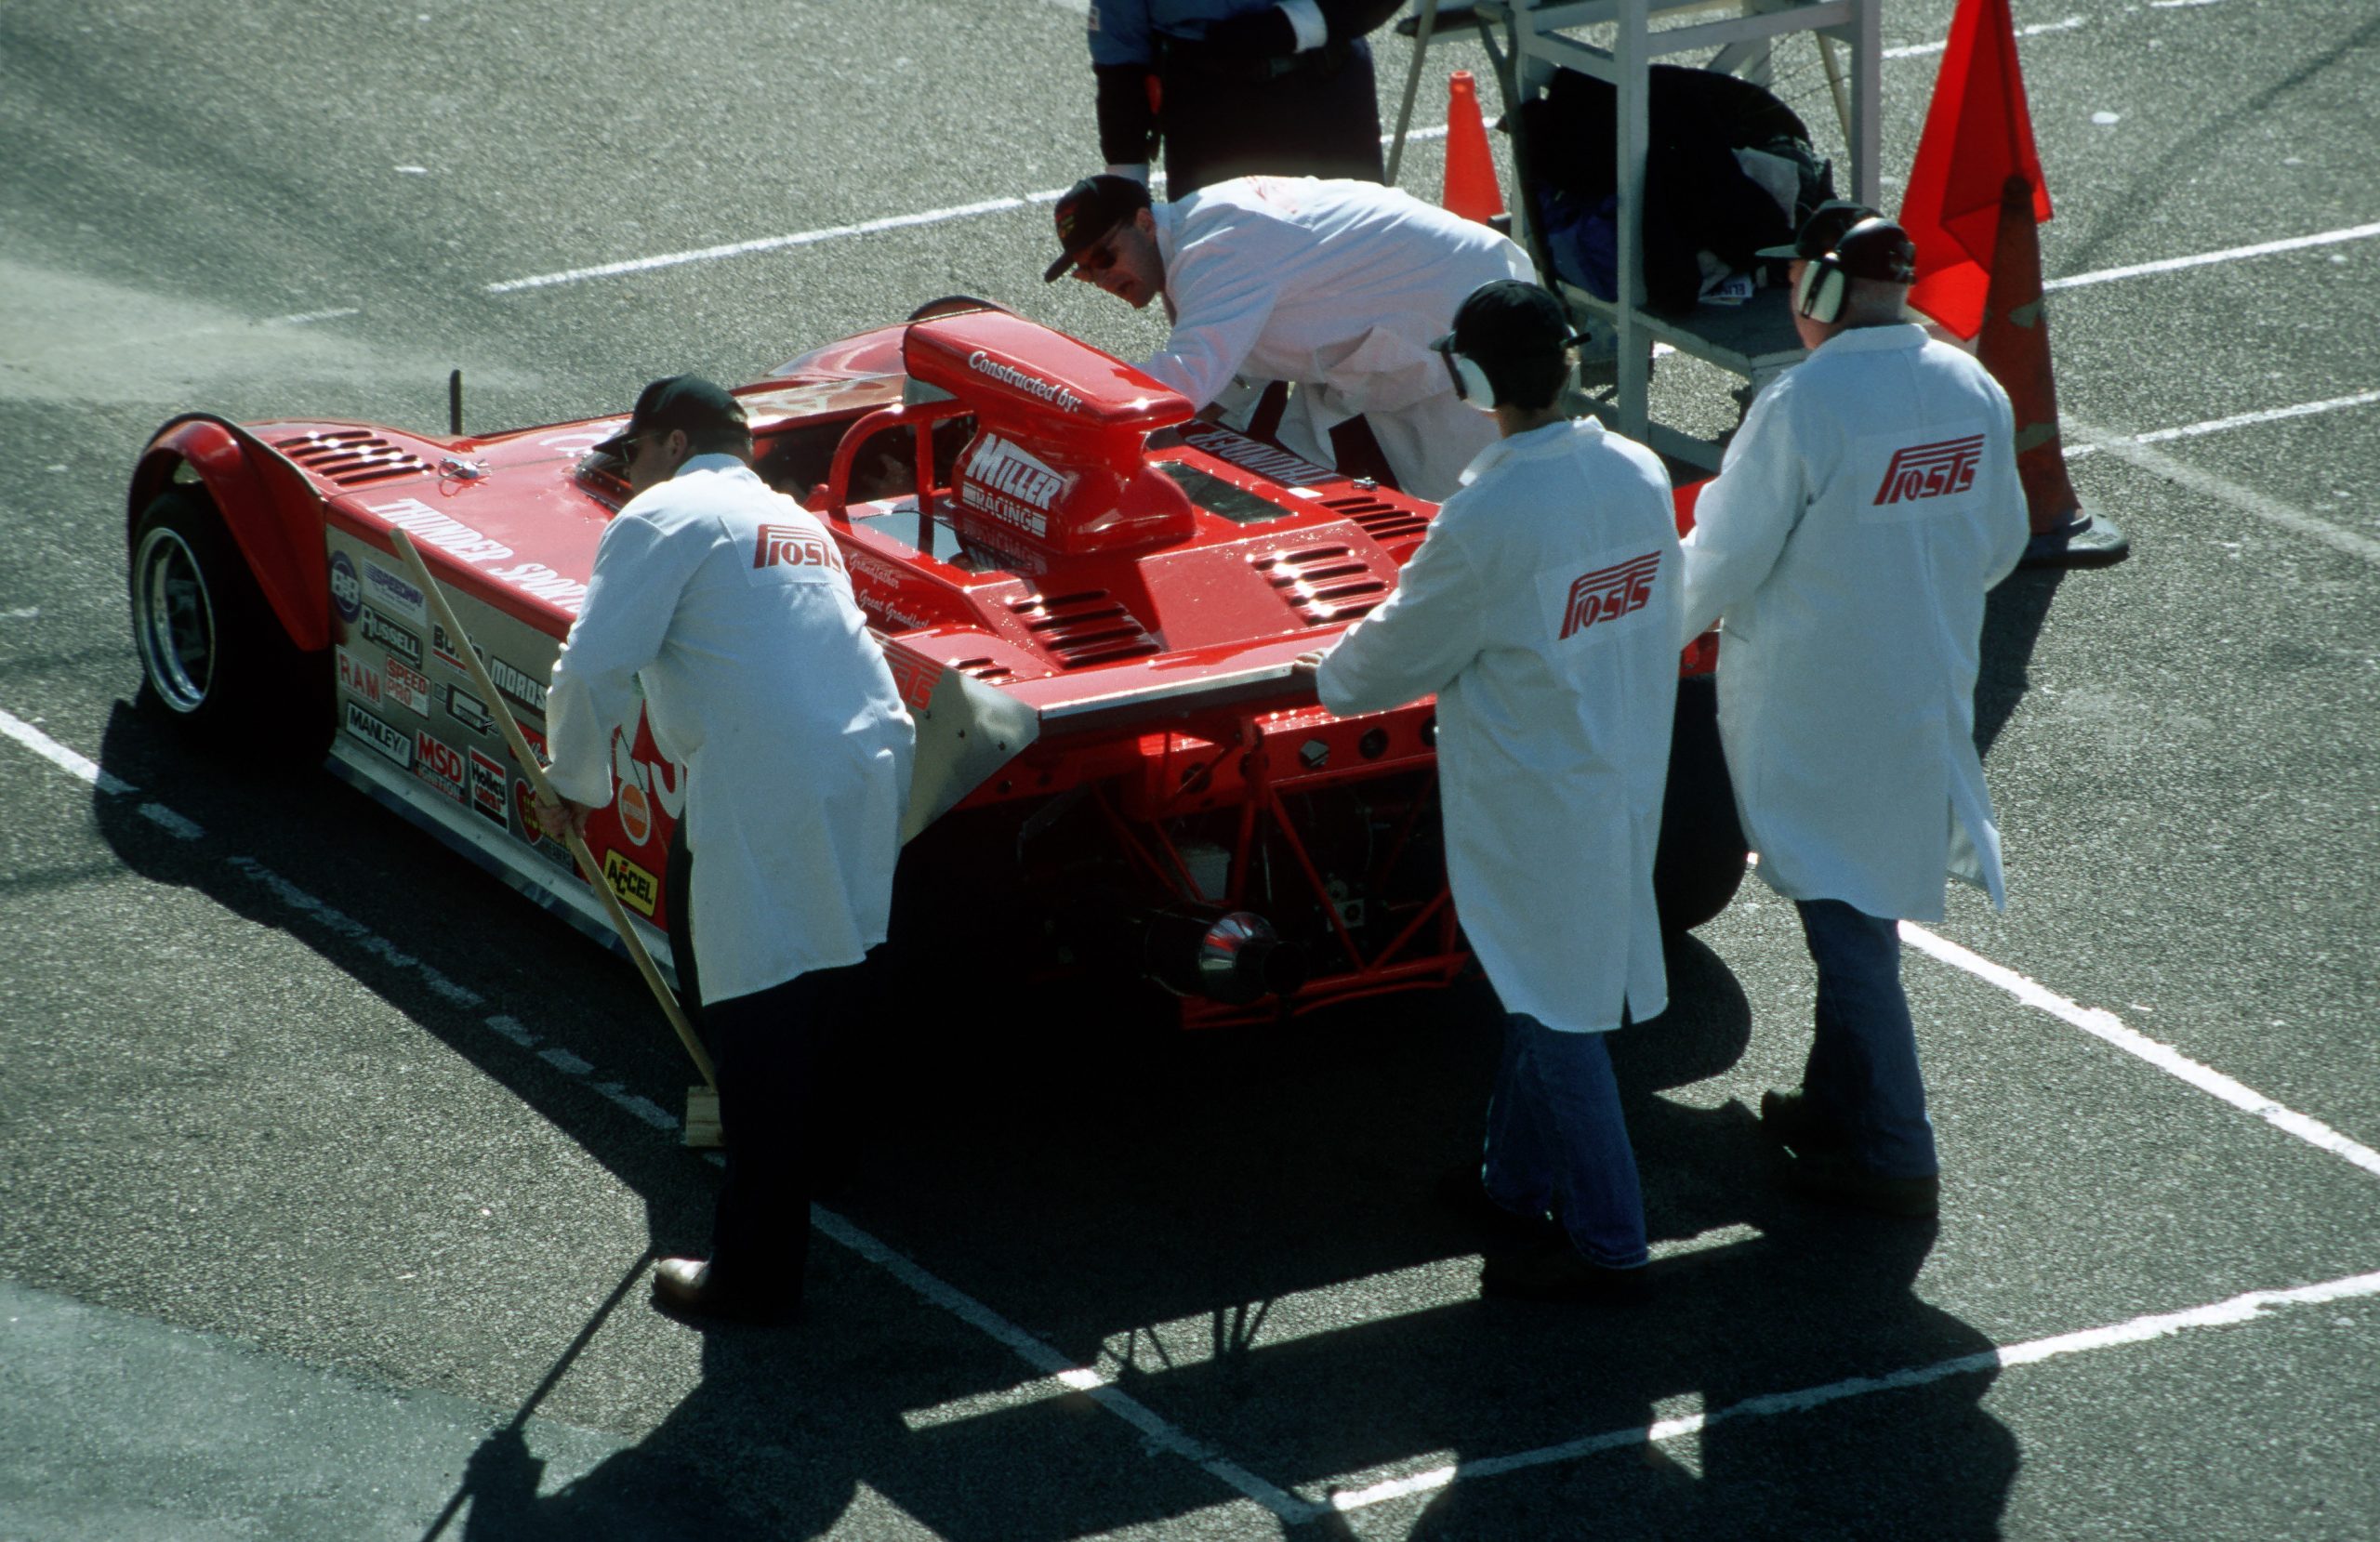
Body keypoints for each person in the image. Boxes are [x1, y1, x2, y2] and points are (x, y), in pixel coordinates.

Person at [1296, 281, 1682, 1301]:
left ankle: (1612, 1240)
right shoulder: (1636, 470)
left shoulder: (1487, 513)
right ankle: (1511, 1184)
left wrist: (1321, 672)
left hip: (1533, 794)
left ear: (1469, 380)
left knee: (1555, 1008)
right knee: (1541, 979)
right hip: (1622, 761)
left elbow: (1379, 664)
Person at [1676, 206, 2029, 1218]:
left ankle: (1896, 1151)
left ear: (1816, 288)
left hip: (1816, 701)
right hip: (1920, 687)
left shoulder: (1804, 402)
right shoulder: (1971, 383)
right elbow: (1999, 543)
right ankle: (1834, 1105)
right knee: (1855, 895)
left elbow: (1724, 555)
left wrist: (1638, 643)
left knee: (1844, 919)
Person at [538, 376, 915, 1321]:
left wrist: (574, 785)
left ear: (664, 443)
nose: (626, 477)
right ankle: (824, 1160)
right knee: (830, 967)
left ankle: (753, 1276)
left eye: (629, 458)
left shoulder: (666, 509)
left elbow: (594, 664)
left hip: (766, 775)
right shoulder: (792, 518)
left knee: (755, 1012)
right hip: (864, 752)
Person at [1045, 173, 1536, 502]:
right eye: (1085, 274)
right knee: (1282, 461)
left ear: (1145, 223)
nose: (1102, 279)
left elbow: (1183, 384)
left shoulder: (1212, 252)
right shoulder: (1200, 227)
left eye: (1105, 258)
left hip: (1458, 311)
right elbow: (1227, 374)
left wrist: (1062, 414)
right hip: (1403, 316)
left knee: (1484, 505)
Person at [1086, 1, 1402, 198]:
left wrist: (1290, 26)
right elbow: (1121, 62)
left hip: (1323, 86)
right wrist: (1127, 192)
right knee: (1218, 279)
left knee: (1356, 265)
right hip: (1208, 107)